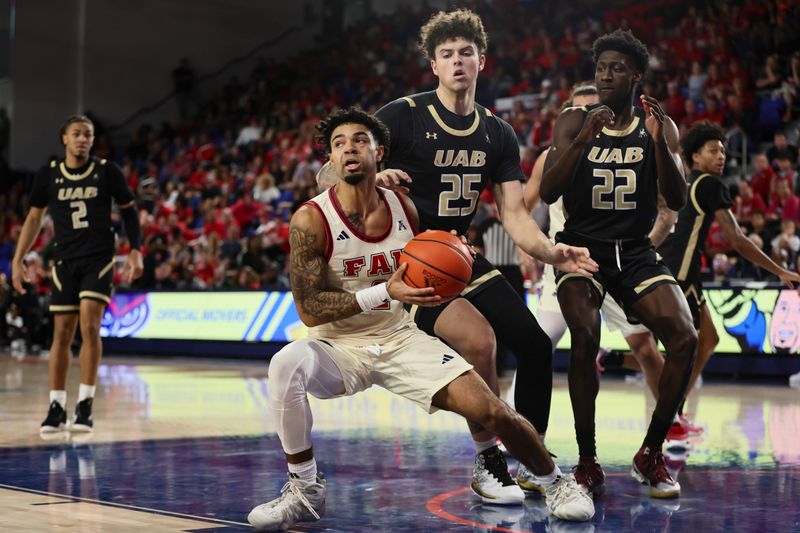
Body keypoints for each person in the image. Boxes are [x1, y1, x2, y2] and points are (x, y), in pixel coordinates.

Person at [247, 108, 594, 530]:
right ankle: (304, 487)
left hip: (400, 338)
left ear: (380, 153)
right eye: (339, 144)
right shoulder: (310, 218)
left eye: (360, 140)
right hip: (336, 348)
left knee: (493, 409)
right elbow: (309, 308)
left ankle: (554, 481)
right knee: (285, 363)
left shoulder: (406, 210)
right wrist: (384, 291)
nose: (349, 148)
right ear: (330, 161)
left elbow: (433, 265)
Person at [373, 9, 596, 503]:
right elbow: (332, 172)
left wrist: (551, 252)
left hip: (458, 253)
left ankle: (533, 460)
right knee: (480, 343)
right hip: (407, 262)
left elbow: (515, 215)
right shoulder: (402, 115)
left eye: (466, 53)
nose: (457, 62)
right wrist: (371, 176)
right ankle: (488, 458)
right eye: (447, 54)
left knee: (536, 345)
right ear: (433, 65)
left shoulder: (497, 132)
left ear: (482, 62)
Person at [540, 29, 697, 498]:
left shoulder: (659, 125)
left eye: (616, 68)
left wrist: (661, 146)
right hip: (581, 250)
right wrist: (585, 139)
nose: (606, 75)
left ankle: (650, 453)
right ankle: (588, 461)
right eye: (601, 68)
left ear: (636, 76)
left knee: (684, 338)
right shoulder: (573, 120)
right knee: (585, 336)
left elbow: (676, 197)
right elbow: (548, 191)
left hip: (633, 251)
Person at [522, 82, 671, 422]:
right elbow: (521, 208)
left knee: (645, 347)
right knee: (537, 346)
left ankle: (670, 424)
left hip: (618, 260)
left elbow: (666, 207)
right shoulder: (551, 157)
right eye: (583, 110)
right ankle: (519, 427)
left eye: (597, 109)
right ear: (567, 116)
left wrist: (645, 248)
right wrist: (528, 247)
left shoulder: (633, 149)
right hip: (566, 264)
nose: (593, 116)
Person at [657, 121, 800, 426]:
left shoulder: (688, 182)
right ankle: (670, 418)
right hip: (682, 274)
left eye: (722, 150)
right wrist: (779, 270)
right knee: (682, 350)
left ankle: (674, 409)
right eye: (713, 151)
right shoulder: (709, 185)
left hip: (678, 270)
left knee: (708, 339)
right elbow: (736, 238)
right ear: (695, 157)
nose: (721, 156)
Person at [11, 115, 143, 433]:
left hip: (98, 258)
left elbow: (129, 209)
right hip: (64, 261)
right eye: (77, 134)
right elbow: (33, 219)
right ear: (64, 139)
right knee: (61, 334)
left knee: (89, 325)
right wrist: (18, 260)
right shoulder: (49, 175)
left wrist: (136, 249)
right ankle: (56, 405)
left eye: (88, 134)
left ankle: (84, 403)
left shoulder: (106, 171)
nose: (83, 139)